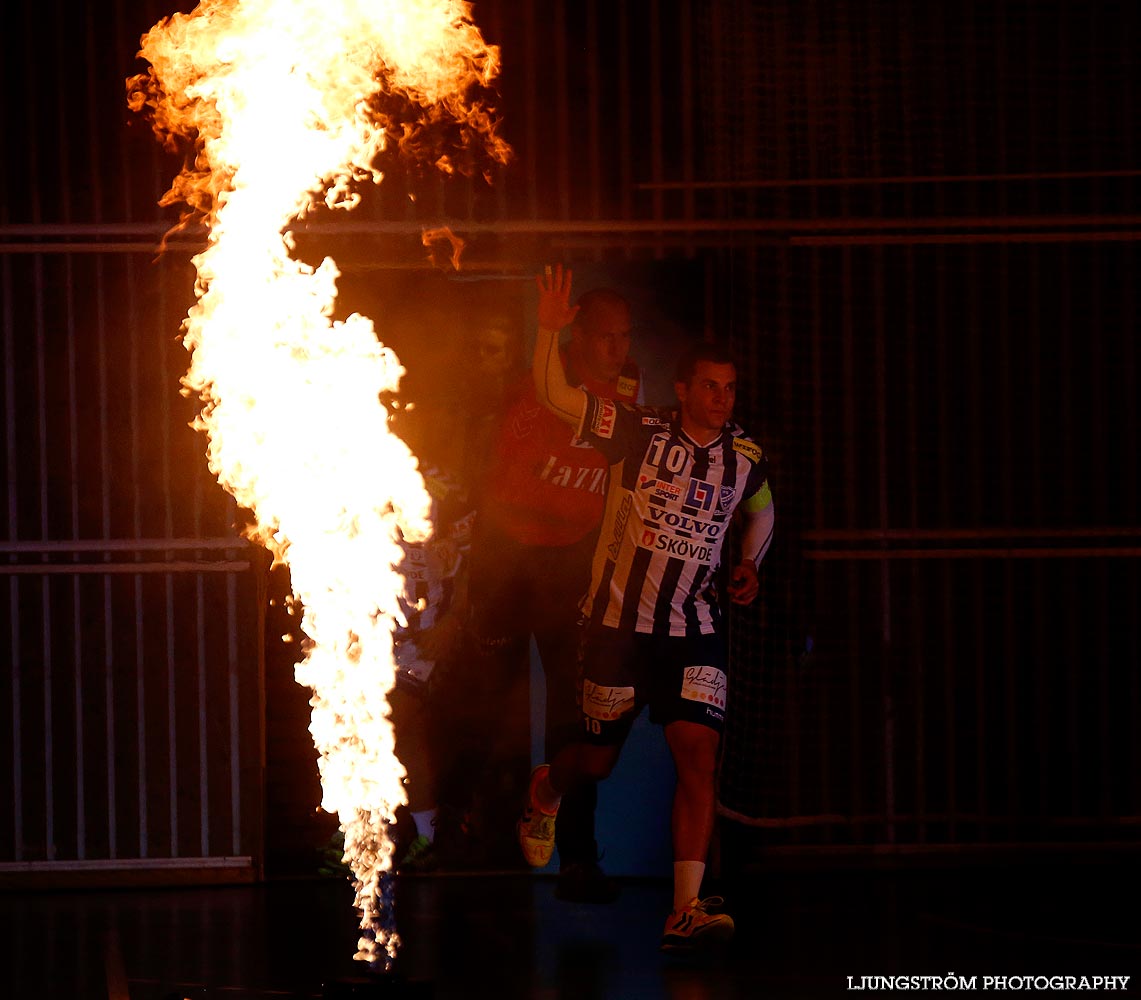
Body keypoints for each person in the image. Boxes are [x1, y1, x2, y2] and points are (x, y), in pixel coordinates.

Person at [516, 265, 775, 952]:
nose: (722, 399)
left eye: (730, 388)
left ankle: (684, 908)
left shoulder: (744, 456)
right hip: (619, 630)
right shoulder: (637, 432)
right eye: (710, 387)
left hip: (697, 630)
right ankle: (546, 790)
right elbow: (553, 392)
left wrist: (750, 562)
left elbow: (762, 510)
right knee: (593, 764)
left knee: (698, 757)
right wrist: (548, 331)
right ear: (683, 389)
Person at [464, 282, 643, 897]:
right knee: (494, 705)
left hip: (574, 566)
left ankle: (578, 858)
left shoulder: (627, 389)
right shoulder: (541, 387)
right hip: (511, 562)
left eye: (624, 336)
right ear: (578, 336)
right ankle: (485, 847)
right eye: (605, 336)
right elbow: (503, 486)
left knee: (577, 711)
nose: (617, 348)